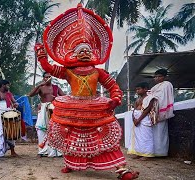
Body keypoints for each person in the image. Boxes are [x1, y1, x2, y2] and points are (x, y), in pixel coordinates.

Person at [34, 4, 139, 179]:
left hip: (95, 108)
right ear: (74, 53)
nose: (84, 53)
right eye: (81, 50)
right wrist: (41, 54)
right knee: (71, 137)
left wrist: (115, 98)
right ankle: (70, 163)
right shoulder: (68, 71)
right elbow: (49, 68)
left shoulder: (98, 72)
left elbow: (113, 86)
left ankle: (122, 170)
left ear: (93, 53)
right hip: (73, 108)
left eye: (87, 50)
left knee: (106, 139)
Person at [28, 72, 65, 157]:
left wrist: (57, 99)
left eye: (49, 76)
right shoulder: (41, 88)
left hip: (54, 108)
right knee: (41, 129)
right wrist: (39, 85)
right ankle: (42, 151)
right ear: (43, 78)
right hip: (43, 109)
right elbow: (30, 95)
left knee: (56, 129)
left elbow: (63, 96)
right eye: (46, 77)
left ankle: (57, 152)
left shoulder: (56, 87)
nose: (48, 78)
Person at [0, 80, 19, 158]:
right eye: (7, 85)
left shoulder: (9, 94)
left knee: (11, 131)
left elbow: (14, 102)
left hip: (9, 114)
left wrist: (15, 104)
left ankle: (12, 151)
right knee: (0, 132)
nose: (9, 87)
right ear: (2, 85)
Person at [128, 82, 155, 159]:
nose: (137, 91)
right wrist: (134, 119)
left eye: (139, 89)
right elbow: (134, 110)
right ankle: (139, 153)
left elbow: (147, 110)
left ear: (145, 89)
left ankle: (147, 155)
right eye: (136, 89)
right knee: (138, 137)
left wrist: (139, 120)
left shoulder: (150, 98)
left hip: (144, 119)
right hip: (137, 120)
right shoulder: (138, 99)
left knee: (146, 137)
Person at [150, 69, 174, 156]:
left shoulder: (167, 84)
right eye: (155, 76)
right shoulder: (154, 87)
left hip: (161, 111)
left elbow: (164, 98)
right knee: (153, 133)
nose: (157, 78)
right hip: (153, 112)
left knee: (161, 132)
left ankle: (161, 152)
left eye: (159, 76)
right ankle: (153, 152)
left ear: (164, 77)